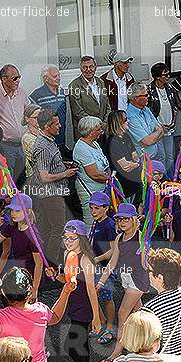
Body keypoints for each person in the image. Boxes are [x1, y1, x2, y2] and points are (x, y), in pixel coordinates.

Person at [46, 220, 102, 362]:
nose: (68, 241)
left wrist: (96, 317)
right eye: (66, 238)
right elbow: (68, 279)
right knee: (80, 344)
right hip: (73, 303)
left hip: (84, 306)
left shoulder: (86, 260)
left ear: (82, 238)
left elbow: (92, 290)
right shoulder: (68, 255)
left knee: (72, 345)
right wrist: (56, 275)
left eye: (73, 238)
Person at [97, 203, 148, 362]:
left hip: (138, 280)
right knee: (138, 313)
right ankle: (147, 341)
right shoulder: (119, 238)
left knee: (122, 313)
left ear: (134, 220)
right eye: (119, 219)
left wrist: (146, 253)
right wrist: (101, 281)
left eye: (126, 219)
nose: (122, 222)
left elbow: (146, 265)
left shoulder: (141, 238)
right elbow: (112, 262)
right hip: (125, 278)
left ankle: (117, 351)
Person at [31, 108, 78, 264]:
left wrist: (63, 165)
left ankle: (44, 261)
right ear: (46, 126)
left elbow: (49, 166)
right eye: (56, 124)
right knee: (58, 227)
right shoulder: (43, 147)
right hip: (50, 193)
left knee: (46, 228)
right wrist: (65, 174)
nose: (60, 127)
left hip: (51, 193)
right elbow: (44, 176)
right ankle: (52, 262)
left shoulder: (49, 142)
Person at [0, 193, 44, 298]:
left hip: (31, 277)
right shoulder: (11, 227)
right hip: (19, 273)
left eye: (17, 211)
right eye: (12, 210)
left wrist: (35, 288)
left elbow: (39, 264)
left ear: (28, 212)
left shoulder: (33, 235)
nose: (13, 213)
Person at [88, 192, 118, 344]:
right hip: (95, 266)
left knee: (107, 298)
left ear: (106, 208)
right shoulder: (96, 222)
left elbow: (114, 250)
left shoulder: (109, 225)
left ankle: (110, 328)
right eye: (91, 208)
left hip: (106, 268)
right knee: (92, 294)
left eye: (97, 208)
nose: (93, 211)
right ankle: (100, 321)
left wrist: (97, 259)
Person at [73, 116, 110, 226]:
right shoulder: (81, 148)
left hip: (102, 189)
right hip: (90, 191)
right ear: (90, 132)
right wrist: (111, 179)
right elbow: (94, 174)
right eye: (98, 129)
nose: (101, 132)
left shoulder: (95, 143)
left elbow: (104, 164)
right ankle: (89, 242)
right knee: (91, 221)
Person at [69, 55, 111, 139]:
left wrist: (105, 122)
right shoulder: (74, 85)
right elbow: (78, 112)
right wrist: (97, 124)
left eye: (91, 66)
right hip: (86, 132)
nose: (88, 70)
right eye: (85, 67)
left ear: (95, 67)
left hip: (102, 130)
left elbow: (107, 105)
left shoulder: (100, 82)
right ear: (81, 69)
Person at [148, 62, 179, 172]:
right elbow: (148, 112)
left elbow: (175, 106)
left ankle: (170, 178)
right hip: (157, 129)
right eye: (165, 75)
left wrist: (173, 122)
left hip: (169, 127)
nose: (168, 77)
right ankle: (161, 178)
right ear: (157, 77)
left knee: (170, 156)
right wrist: (158, 126)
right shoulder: (149, 91)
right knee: (161, 156)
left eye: (168, 74)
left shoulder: (170, 88)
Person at [30, 64, 67, 151]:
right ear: (45, 79)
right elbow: (33, 119)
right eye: (55, 76)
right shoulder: (36, 95)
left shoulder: (62, 92)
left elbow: (64, 113)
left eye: (59, 75)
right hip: (46, 141)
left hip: (61, 137)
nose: (58, 78)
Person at [104, 110, 140, 200]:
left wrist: (134, 163)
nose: (128, 121)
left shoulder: (126, 136)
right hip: (123, 184)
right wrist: (138, 164)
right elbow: (125, 167)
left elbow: (136, 156)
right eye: (125, 119)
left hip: (134, 181)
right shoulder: (113, 142)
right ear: (118, 122)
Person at [126, 82, 165, 162]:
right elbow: (148, 141)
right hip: (145, 160)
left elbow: (161, 130)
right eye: (146, 95)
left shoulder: (146, 109)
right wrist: (158, 132)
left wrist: (157, 133)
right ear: (136, 98)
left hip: (157, 154)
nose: (148, 97)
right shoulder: (130, 117)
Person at [21, 104, 42, 185]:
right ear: (27, 119)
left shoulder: (40, 130)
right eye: (36, 117)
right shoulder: (27, 137)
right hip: (35, 177)